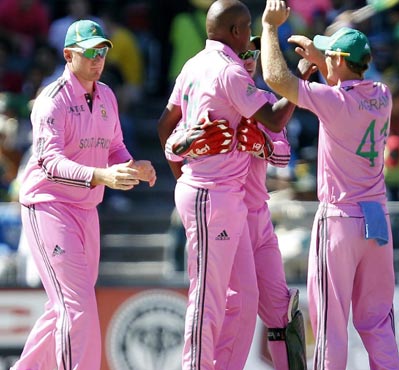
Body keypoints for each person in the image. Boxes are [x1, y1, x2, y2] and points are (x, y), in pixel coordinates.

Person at [156, 1, 301, 368]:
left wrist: (262, 145)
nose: (251, 53)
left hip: (235, 203)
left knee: (254, 302)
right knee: (208, 299)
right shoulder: (230, 73)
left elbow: (164, 127)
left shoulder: (195, 65)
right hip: (213, 195)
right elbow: (272, 117)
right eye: (248, 34)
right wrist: (301, 82)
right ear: (236, 33)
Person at [260, 1, 399, 368]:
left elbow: (277, 78)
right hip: (377, 222)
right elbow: (345, 86)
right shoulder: (382, 96)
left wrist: (269, 27)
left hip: (339, 220)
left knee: (330, 326)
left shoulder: (334, 101)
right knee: (378, 323)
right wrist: (324, 59)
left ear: (338, 60)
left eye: (329, 54)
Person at [10, 19, 156, 370]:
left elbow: (115, 146)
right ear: (68, 55)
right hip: (49, 206)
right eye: (89, 51)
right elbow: (49, 163)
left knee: (65, 306)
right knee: (77, 307)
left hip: (86, 209)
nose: (98, 58)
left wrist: (133, 166)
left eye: (102, 50)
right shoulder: (52, 99)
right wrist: (101, 175)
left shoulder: (106, 94)